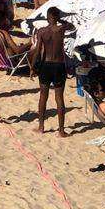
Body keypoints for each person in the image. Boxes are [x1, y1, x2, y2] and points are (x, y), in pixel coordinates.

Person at [30, 8, 69, 137]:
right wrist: (60, 20)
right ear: (57, 17)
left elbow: (37, 51)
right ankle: (61, 130)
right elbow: (71, 25)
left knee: (43, 96)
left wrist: (32, 67)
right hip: (59, 65)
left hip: (45, 65)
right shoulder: (61, 29)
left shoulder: (42, 31)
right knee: (59, 98)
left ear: (47, 17)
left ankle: (41, 127)